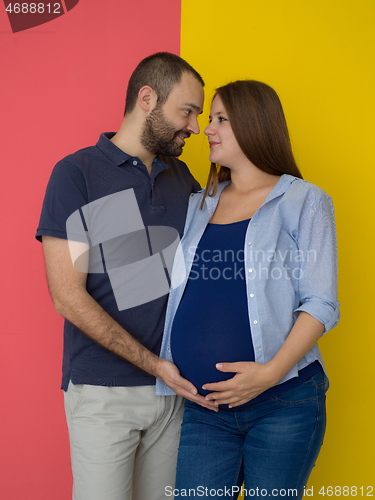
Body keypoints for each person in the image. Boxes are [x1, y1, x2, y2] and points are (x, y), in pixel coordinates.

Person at [36, 52, 218, 500]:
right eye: (187, 111)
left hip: (173, 394)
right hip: (103, 393)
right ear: (147, 98)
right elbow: (67, 298)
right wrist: (155, 365)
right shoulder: (76, 174)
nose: (194, 127)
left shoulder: (182, 178)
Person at [157, 80, 340, 499]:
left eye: (221, 119)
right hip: (206, 411)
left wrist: (269, 375)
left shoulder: (305, 201)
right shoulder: (198, 203)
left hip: (283, 404)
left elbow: (321, 303)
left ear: (254, 125)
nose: (207, 129)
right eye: (209, 119)